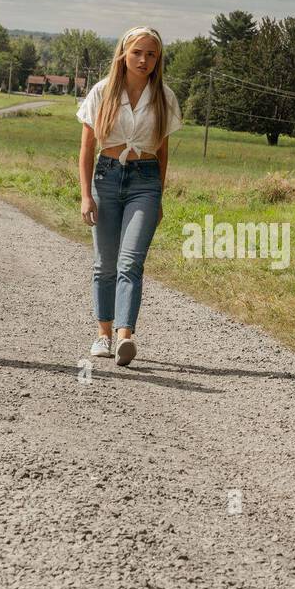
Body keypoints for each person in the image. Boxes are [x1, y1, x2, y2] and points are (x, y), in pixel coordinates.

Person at [76, 26, 182, 366]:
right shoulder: (102, 92)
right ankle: (103, 335)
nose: (144, 60)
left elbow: (163, 152)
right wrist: (85, 195)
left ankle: (125, 337)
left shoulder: (164, 97)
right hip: (106, 177)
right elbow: (87, 148)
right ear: (124, 54)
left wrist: (159, 195)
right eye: (138, 52)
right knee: (105, 264)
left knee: (130, 261)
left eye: (151, 54)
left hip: (145, 182)